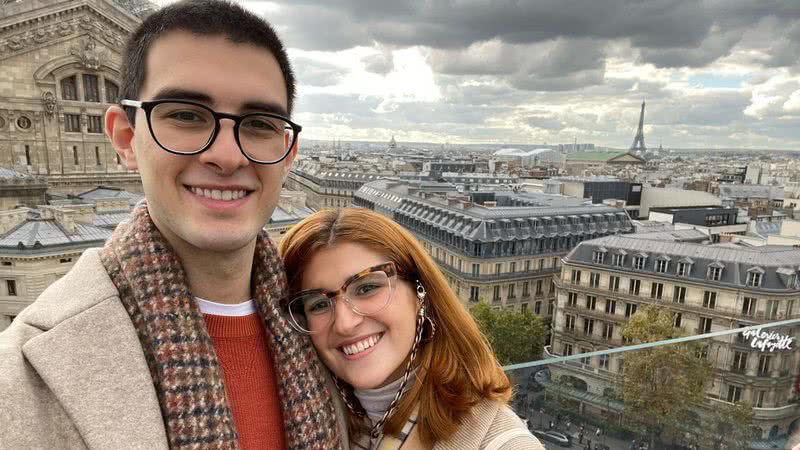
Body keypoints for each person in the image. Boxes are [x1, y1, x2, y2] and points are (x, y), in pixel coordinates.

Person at [0, 1, 347, 449]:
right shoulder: (17, 383)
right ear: (125, 137)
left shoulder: (337, 332)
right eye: (185, 114)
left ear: (288, 153)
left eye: (259, 123)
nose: (227, 155)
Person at [279, 208, 544, 449]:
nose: (345, 323)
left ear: (421, 293)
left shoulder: (504, 444)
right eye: (319, 304)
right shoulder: (321, 422)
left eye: (367, 288)